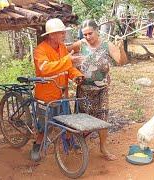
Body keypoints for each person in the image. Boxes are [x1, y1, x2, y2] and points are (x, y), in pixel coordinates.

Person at [67, 19, 128, 161]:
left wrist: (121, 48)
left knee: (103, 119)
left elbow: (121, 61)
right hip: (83, 90)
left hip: (102, 90)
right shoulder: (80, 44)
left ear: (97, 31)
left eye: (90, 33)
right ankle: (81, 144)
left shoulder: (107, 45)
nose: (88, 37)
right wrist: (72, 62)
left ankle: (103, 148)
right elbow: (64, 54)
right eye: (85, 34)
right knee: (82, 119)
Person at [31, 18, 84, 161]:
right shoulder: (40, 50)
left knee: (66, 121)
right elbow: (45, 69)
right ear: (52, 35)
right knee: (44, 126)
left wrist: (77, 75)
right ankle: (37, 144)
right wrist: (68, 61)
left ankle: (69, 142)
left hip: (62, 93)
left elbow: (68, 68)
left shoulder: (62, 48)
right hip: (46, 97)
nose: (64, 35)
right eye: (61, 33)